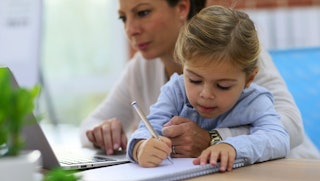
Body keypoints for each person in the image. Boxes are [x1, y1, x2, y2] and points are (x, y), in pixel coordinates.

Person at [80, 0, 319, 158]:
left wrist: (215, 139)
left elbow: (290, 127)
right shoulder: (142, 68)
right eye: (123, 18)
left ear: (182, 8)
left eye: (143, 13)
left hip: (290, 169)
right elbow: (88, 127)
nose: (130, 29)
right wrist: (103, 133)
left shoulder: (236, 55)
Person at [127, 5, 289, 170]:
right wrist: (140, 147)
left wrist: (232, 146)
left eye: (222, 86)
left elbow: (278, 138)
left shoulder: (255, 100)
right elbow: (149, 127)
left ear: (249, 79)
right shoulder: (176, 90)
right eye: (195, 80)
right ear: (184, 66)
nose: (206, 94)